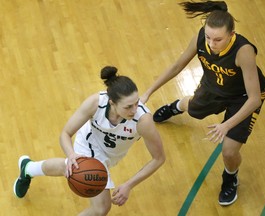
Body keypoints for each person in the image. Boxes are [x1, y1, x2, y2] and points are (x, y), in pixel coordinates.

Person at [141, 1, 265, 206]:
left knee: (229, 151)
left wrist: (226, 125)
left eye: (218, 39)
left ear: (231, 34)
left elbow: (254, 99)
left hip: (242, 98)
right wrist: (148, 92)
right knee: (193, 110)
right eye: (208, 37)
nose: (211, 43)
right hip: (213, 86)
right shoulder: (202, 37)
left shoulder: (244, 51)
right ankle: (176, 106)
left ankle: (230, 177)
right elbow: (177, 65)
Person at [13, 66, 166, 215]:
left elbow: (158, 158)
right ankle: (29, 169)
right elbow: (65, 133)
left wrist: (129, 185)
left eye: (136, 103)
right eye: (128, 107)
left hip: (111, 156)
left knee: (67, 168)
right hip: (88, 144)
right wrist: (72, 154)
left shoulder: (143, 121)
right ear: (112, 102)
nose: (134, 110)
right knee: (101, 208)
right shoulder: (95, 103)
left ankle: (28, 168)